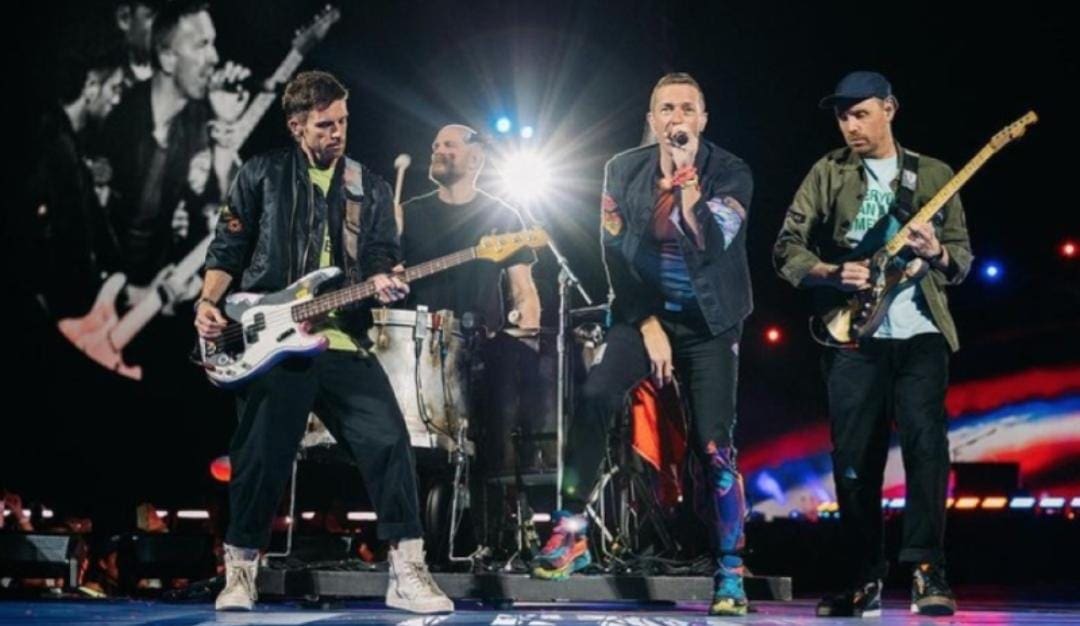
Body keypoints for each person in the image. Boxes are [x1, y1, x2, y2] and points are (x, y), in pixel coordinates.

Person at [195, 70, 453, 614]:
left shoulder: (369, 187)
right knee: (260, 455)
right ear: (297, 126)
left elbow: (381, 255)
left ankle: (407, 570)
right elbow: (227, 248)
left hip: (342, 338)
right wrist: (208, 302)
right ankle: (240, 570)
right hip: (273, 340)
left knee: (389, 442)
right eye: (325, 125)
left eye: (343, 121)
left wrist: (386, 278)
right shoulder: (261, 174)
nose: (338, 132)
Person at [532, 72, 754, 617]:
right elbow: (613, 253)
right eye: (666, 109)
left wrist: (687, 184)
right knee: (596, 394)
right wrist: (647, 322)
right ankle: (572, 532)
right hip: (643, 312)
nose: (677, 118)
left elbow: (712, 243)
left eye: (687, 108)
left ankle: (730, 567)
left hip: (710, 322)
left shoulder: (731, 172)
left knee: (713, 445)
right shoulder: (622, 170)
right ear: (652, 120)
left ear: (703, 119)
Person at [773, 70, 972, 617]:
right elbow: (787, 246)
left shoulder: (934, 174)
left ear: (890, 108)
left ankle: (928, 571)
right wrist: (830, 273)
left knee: (927, 449)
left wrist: (935, 252)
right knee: (854, 460)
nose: (850, 126)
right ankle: (863, 577)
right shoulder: (828, 172)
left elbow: (961, 258)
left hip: (921, 332)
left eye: (860, 113)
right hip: (854, 335)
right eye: (843, 116)